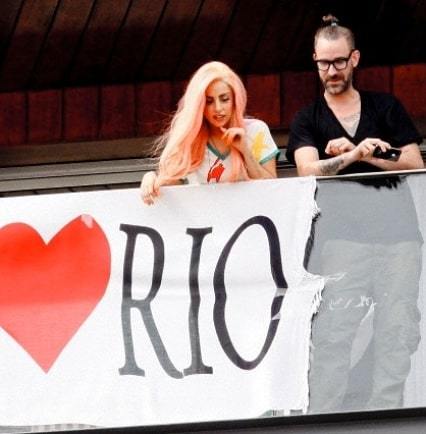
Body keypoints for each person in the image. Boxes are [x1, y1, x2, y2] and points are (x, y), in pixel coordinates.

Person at [287, 15, 424, 413]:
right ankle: (326, 420)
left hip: (399, 239)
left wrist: (370, 153)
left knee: (396, 334)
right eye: (323, 63)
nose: (331, 71)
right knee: (333, 336)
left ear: (355, 59)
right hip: (340, 242)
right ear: (314, 61)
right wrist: (353, 153)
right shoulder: (307, 118)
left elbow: (414, 161)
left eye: (339, 62)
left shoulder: (385, 106)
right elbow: (306, 169)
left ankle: (390, 417)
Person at [140, 61, 279, 204]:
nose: (218, 108)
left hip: (251, 221)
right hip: (207, 223)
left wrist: (245, 151)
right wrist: (151, 179)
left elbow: (273, 189)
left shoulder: (256, 130)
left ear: (235, 100)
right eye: (209, 101)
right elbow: (170, 187)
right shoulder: (190, 138)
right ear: (199, 104)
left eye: (225, 99)